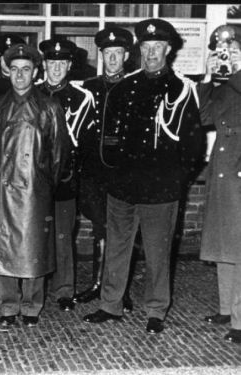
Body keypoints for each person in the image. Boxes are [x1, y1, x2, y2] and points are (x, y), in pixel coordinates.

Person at [83, 19, 203, 334]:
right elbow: (108, 137)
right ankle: (111, 304)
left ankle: (156, 310)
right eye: (146, 47)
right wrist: (111, 177)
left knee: (158, 252)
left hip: (161, 189)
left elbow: (193, 146)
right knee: (117, 248)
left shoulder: (182, 89)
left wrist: (177, 182)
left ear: (169, 49)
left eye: (157, 47)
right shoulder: (124, 86)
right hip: (122, 185)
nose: (151, 53)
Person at [0, 43, 69, 327]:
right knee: (5, 249)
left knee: (34, 250)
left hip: (35, 190)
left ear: (35, 72)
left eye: (26, 70)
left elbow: (59, 154)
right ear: (7, 72)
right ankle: (8, 307)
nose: (20, 76)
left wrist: (44, 182)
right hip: (4, 188)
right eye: (15, 70)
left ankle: (32, 306)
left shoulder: (48, 106)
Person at [75, 28, 135, 312]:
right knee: (101, 228)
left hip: (122, 173)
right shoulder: (89, 87)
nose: (112, 59)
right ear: (102, 55)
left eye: (118, 54)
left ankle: (119, 290)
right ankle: (99, 284)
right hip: (93, 172)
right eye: (108, 54)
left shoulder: (136, 85)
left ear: (126, 56)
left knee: (120, 232)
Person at [37, 38, 94, 312]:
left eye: (62, 63)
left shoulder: (82, 99)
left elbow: (85, 144)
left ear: (70, 65)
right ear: (44, 64)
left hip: (64, 180)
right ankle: (32, 285)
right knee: (33, 234)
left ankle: (63, 290)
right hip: (33, 180)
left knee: (62, 237)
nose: (56, 68)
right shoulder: (33, 94)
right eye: (51, 62)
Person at [199, 25, 241, 345]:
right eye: (222, 51)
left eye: (233, 49)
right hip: (222, 172)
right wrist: (210, 78)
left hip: (239, 173)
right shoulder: (224, 86)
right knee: (226, 247)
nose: (227, 56)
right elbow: (202, 118)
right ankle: (227, 309)